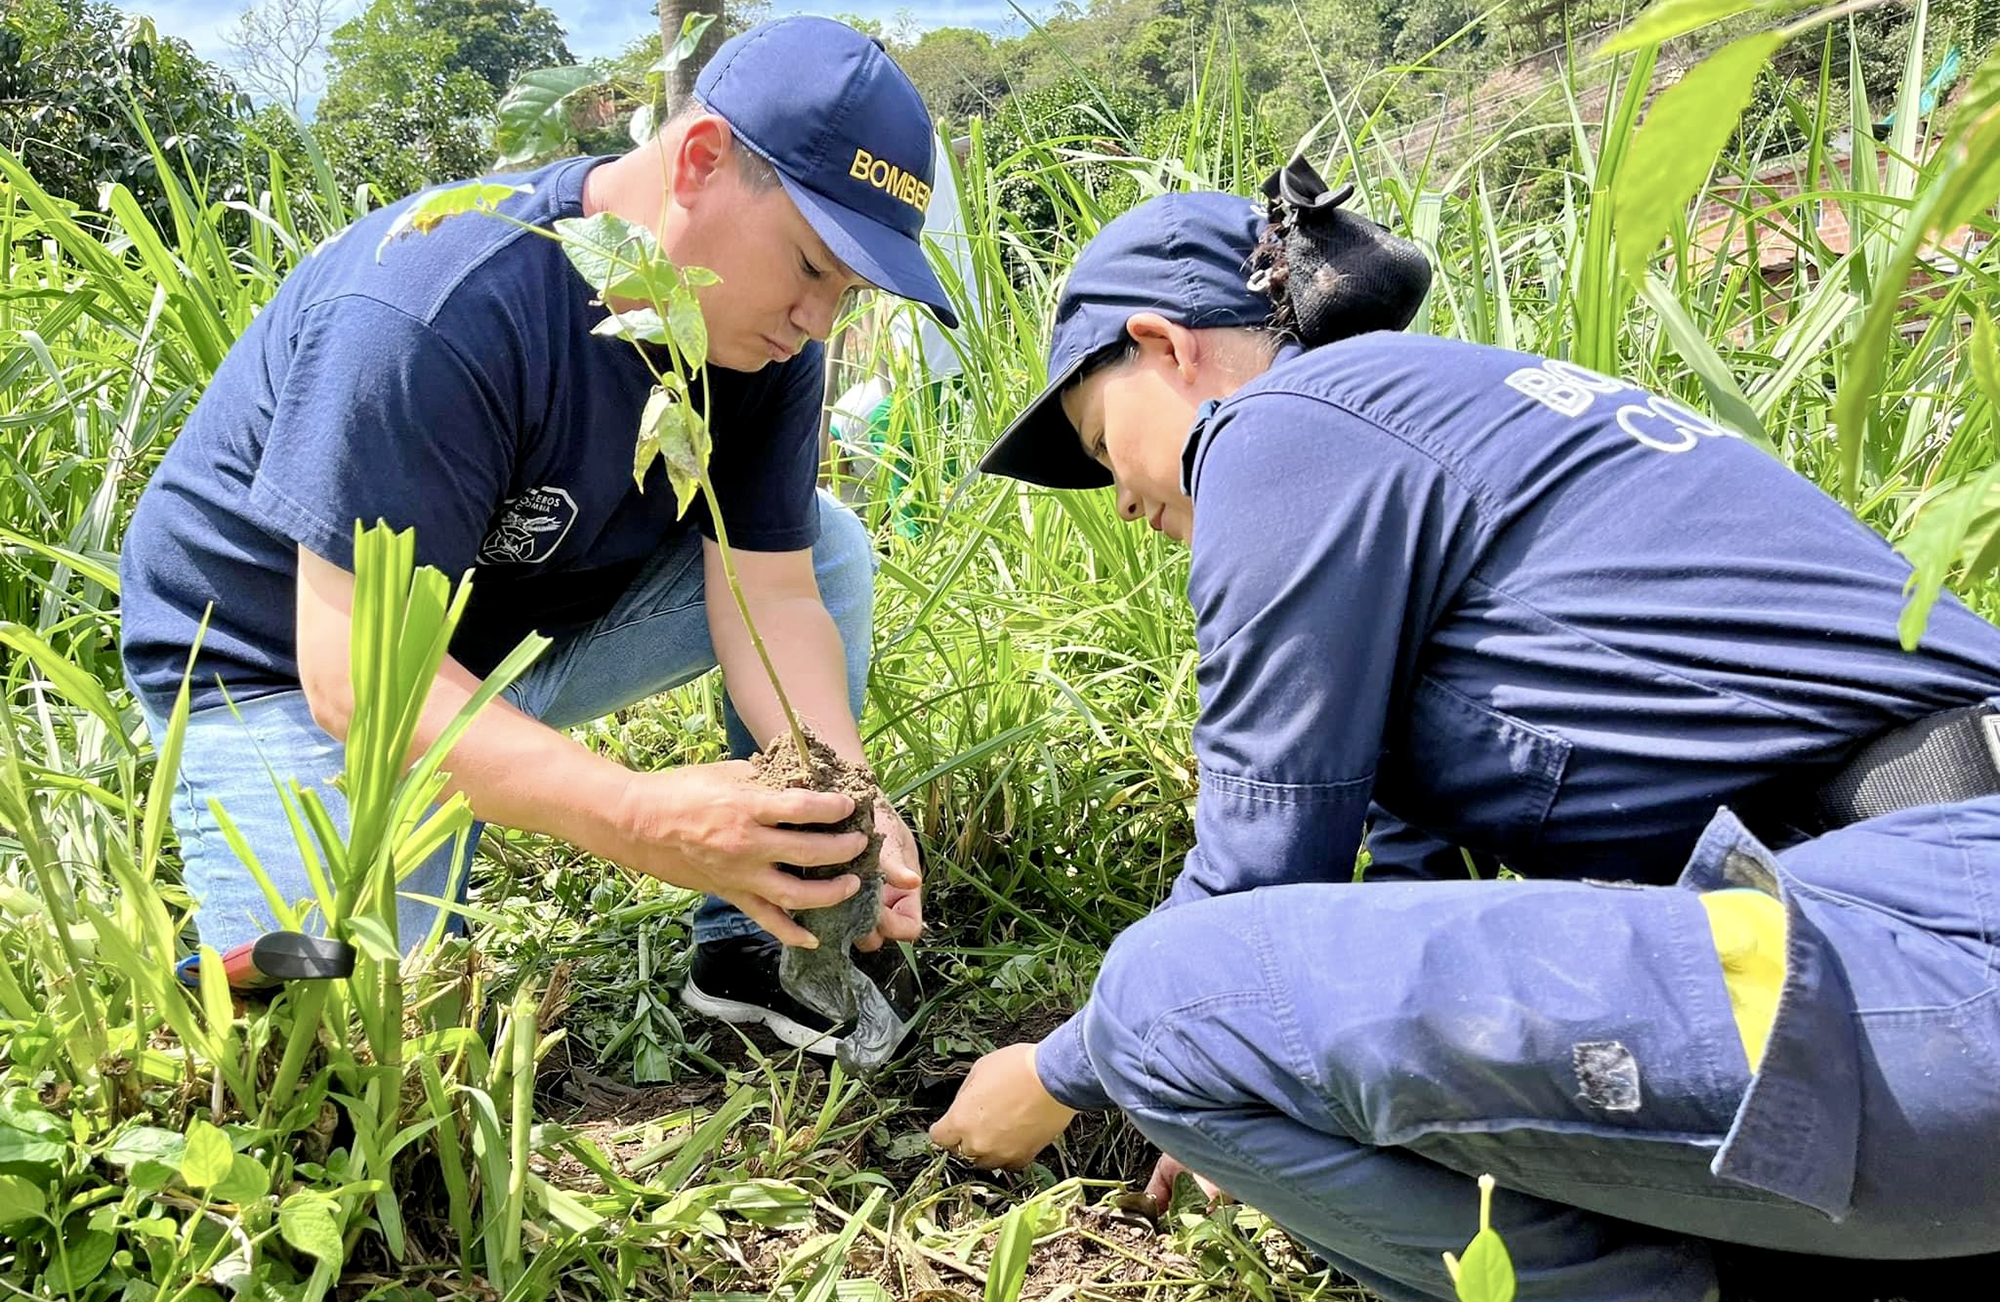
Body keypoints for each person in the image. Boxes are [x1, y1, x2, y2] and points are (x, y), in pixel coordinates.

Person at [929, 182, 2000, 1301]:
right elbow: (1400, 880)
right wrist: (1261, 1075)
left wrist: (1064, 1069)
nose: (1119, 499)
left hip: (1933, 954)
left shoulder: (1284, 425)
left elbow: (1256, 870)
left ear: (1164, 347)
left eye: (1105, 445)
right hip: (1898, 968)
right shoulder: (1446, 417)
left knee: (1159, 994)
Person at [118, 16, 954, 1055]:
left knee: (824, 550)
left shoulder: (761, 343)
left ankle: (750, 945)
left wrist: (843, 801)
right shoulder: (437, 307)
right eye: (811, 266)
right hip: (287, 671)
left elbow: (775, 594)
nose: (818, 320)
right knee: (347, 1031)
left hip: (519, 633)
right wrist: (638, 817)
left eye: (847, 290)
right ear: (700, 162)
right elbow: (359, 683)